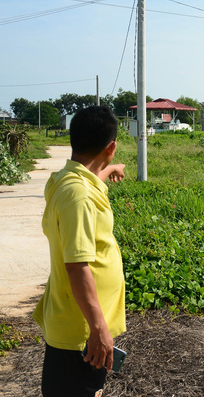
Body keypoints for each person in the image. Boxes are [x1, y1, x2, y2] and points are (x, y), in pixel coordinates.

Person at [33, 105, 127, 397]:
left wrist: (109, 168)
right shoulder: (79, 196)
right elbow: (77, 266)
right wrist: (98, 329)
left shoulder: (69, 179)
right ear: (110, 147)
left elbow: (87, 181)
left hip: (78, 324)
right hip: (80, 331)